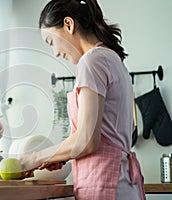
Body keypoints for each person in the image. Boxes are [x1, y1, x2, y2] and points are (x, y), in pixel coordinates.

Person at [19, 0, 146, 199]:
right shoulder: (112, 59)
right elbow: (102, 136)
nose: (56, 53)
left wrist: (31, 159)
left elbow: (87, 141)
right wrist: (64, 154)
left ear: (68, 24)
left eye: (51, 42)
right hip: (120, 183)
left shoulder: (91, 61)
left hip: (106, 184)